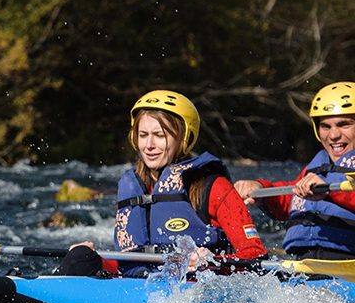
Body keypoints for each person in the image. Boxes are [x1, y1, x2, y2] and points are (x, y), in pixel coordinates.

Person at [57, 90, 267, 276]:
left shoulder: (214, 187)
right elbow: (128, 260)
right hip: (140, 283)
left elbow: (255, 255)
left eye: (159, 135)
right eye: (143, 135)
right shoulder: (133, 186)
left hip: (195, 288)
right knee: (80, 257)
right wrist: (91, 258)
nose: (149, 145)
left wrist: (211, 262)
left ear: (183, 138)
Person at [234, 81, 355, 260]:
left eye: (344, 124)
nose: (333, 135)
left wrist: (328, 191)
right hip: (307, 268)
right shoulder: (318, 166)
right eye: (325, 126)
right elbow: (292, 196)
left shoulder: (324, 180)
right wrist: (261, 189)